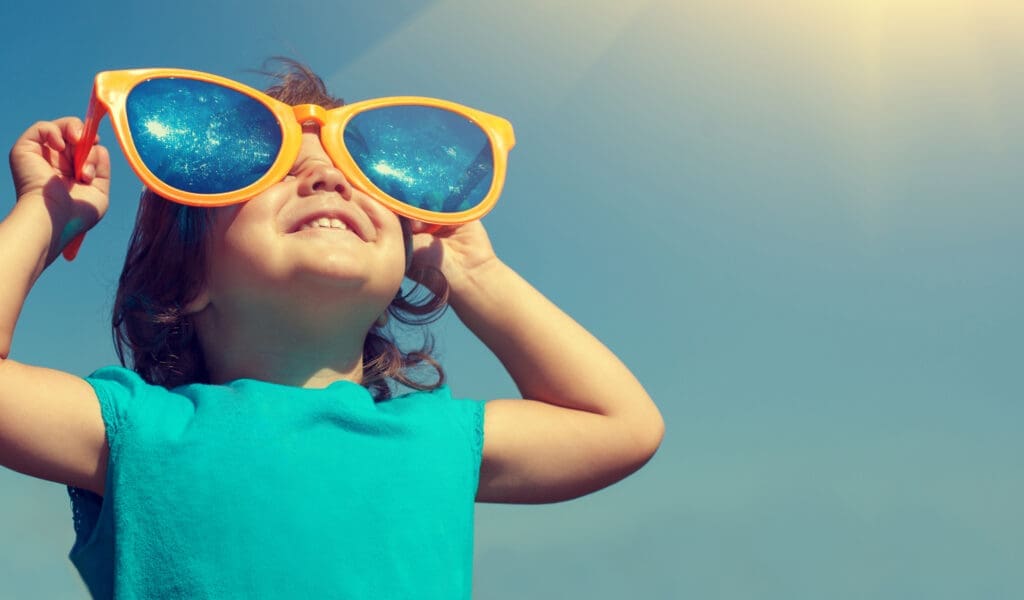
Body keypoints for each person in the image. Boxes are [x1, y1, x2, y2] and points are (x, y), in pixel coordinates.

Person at [0, 61, 664, 598]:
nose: (327, 178)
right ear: (189, 282)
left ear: (397, 274)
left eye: (359, 178)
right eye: (278, 174)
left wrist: (476, 270)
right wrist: (46, 212)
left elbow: (622, 424)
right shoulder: (140, 427)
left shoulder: (434, 436)